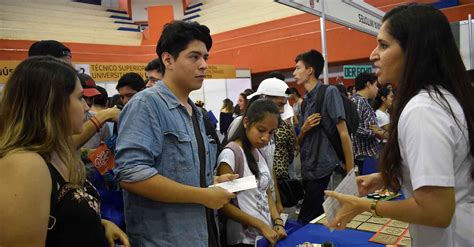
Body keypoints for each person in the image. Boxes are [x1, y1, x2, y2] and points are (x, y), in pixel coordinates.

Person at [325, 4, 474, 247]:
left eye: (383, 45)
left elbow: (436, 211)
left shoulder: (423, 110)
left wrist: (365, 205)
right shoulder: (442, 99)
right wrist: (386, 177)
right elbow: (450, 171)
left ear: (414, 51)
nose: (373, 54)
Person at [113, 21, 236, 246]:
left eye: (205, 57)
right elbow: (131, 174)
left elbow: (178, 172)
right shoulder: (146, 105)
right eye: (194, 57)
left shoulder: (196, 112)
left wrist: (213, 180)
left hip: (202, 234)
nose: (203, 65)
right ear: (168, 60)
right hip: (165, 239)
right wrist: (203, 196)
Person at [0, 56, 129, 246]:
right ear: (52, 104)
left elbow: (53, 219)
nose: (86, 107)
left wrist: (98, 224)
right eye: (79, 98)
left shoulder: (52, 153)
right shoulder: (26, 165)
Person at [293, 49, 354, 224]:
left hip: (323, 167)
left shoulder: (329, 93)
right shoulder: (304, 102)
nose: (294, 73)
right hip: (307, 168)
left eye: (298, 68)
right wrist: (303, 129)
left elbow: (343, 133)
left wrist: (350, 173)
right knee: (318, 217)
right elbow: (299, 144)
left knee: (305, 219)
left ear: (310, 70)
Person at [217, 99, 287, 246]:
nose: (265, 138)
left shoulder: (258, 151)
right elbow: (223, 204)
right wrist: (259, 224)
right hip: (242, 239)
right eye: (261, 130)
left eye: (271, 132)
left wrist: (278, 221)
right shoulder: (231, 154)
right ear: (246, 122)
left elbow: (266, 191)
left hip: (264, 235)